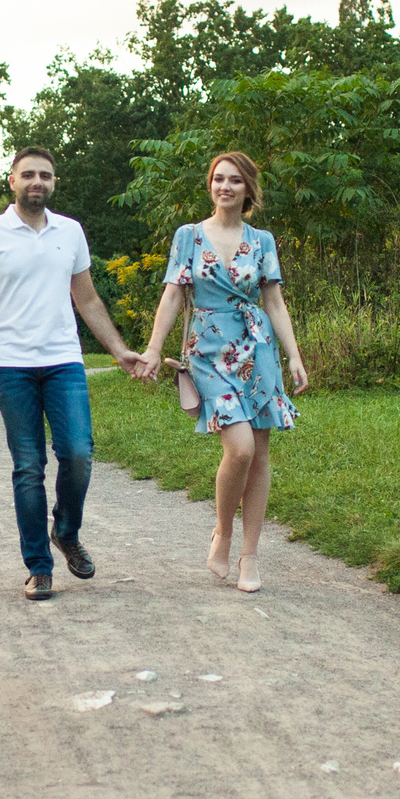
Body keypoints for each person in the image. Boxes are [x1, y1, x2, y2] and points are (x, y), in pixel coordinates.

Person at [0, 147, 151, 601]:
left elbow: (86, 299)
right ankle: (39, 568)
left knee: (78, 453)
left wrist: (119, 349)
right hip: (10, 364)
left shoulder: (71, 231)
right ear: (11, 181)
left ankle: (65, 531)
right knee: (29, 467)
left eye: (45, 175)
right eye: (28, 174)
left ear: (54, 182)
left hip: (64, 359)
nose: (36, 182)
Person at [135, 151, 309, 593]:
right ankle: (223, 532)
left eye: (234, 180)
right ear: (210, 185)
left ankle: (249, 555)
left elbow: (274, 301)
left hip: (257, 349)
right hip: (209, 351)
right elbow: (174, 295)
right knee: (241, 449)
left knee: (261, 454)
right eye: (217, 179)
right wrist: (154, 349)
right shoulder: (189, 236)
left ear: (248, 188)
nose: (224, 186)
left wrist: (294, 356)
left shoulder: (263, 240)